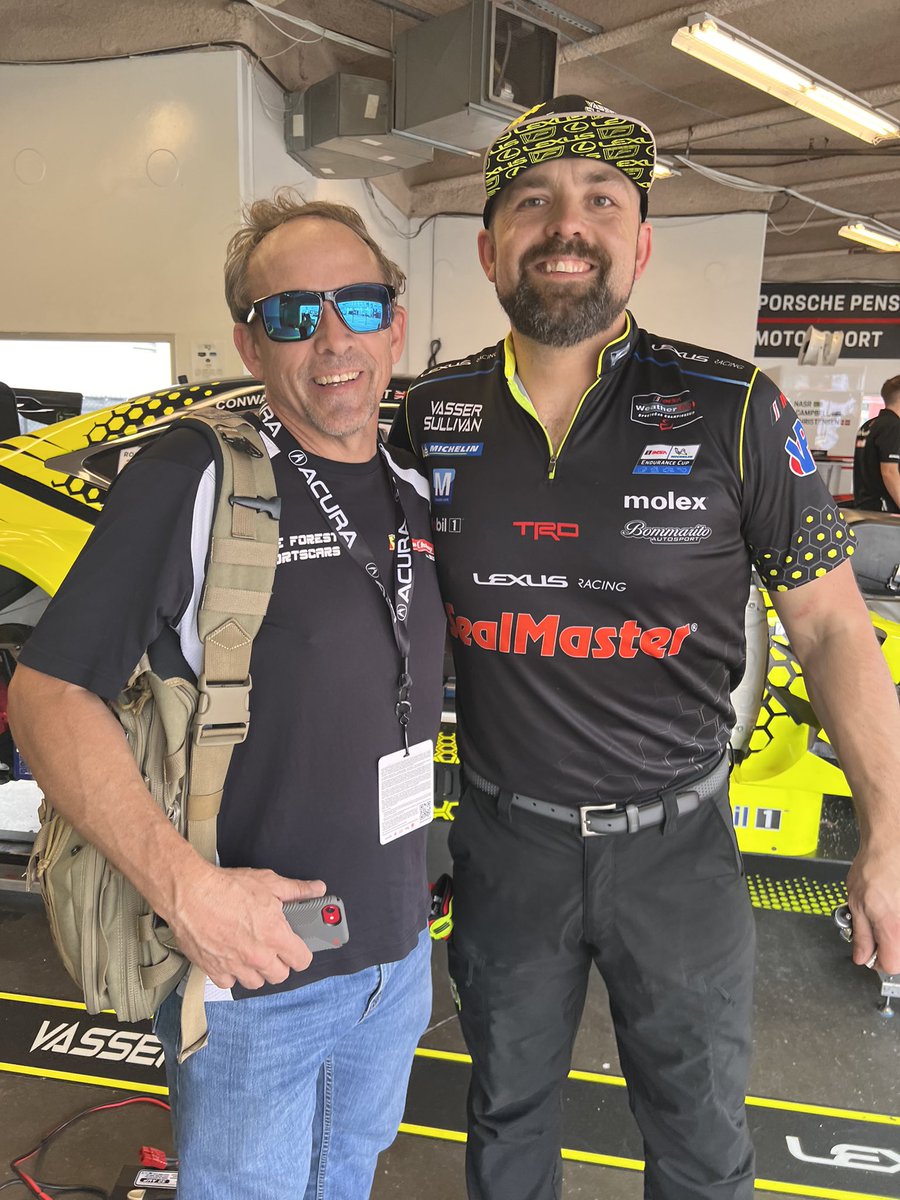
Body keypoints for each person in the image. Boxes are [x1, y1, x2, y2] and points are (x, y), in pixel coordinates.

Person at [391, 96, 900, 1200]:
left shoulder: (735, 407)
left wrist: (890, 834)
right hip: (501, 842)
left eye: (602, 202)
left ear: (641, 244)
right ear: (488, 249)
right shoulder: (427, 417)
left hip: (678, 851)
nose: (566, 225)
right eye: (533, 202)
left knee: (700, 1136)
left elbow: (829, 627)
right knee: (506, 1121)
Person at [9, 193, 447, 1200]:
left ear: (397, 323)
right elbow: (48, 694)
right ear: (252, 345)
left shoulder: (416, 486)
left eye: (359, 305)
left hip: (393, 958)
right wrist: (187, 894)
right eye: (293, 315)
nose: (333, 338)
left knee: (346, 1179)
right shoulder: (198, 475)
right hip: (255, 978)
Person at [853, 375, 900, 511]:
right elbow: (889, 473)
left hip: (866, 507)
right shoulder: (893, 426)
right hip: (883, 512)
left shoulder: (869, 425)